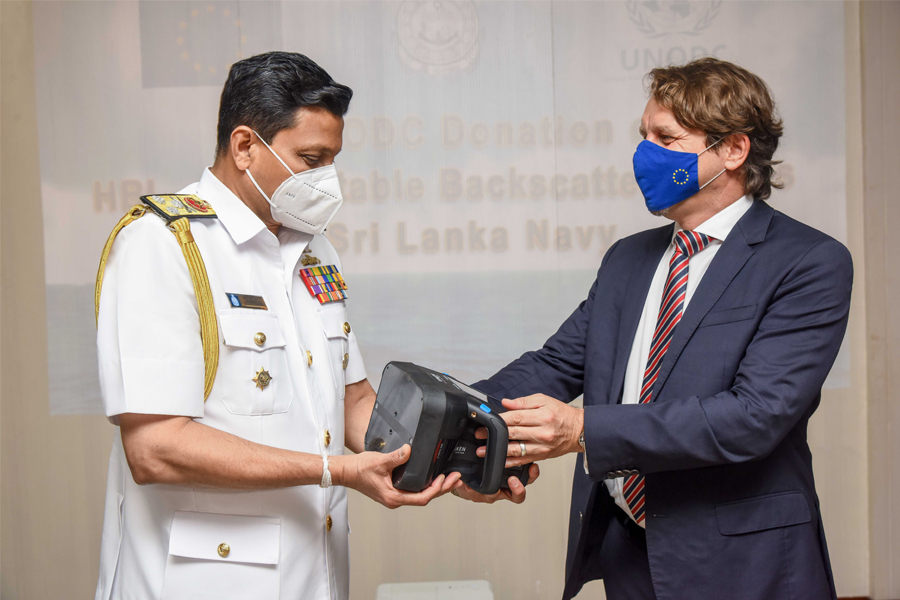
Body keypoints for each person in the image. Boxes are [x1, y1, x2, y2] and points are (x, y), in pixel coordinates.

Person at [457, 58, 852, 600]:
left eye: (665, 137)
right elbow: (556, 364)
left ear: (734, 150)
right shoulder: (628, 258)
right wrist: (461, 414)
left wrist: (581, 430)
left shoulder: (809, 261)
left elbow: (754, 416)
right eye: (643, 135)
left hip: (744, 562)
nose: (645, 153)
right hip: (631, 549)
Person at [93, 51, 459, 600]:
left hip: (315, 577)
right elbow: (155, 449)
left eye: (332, 160)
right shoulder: (163, 244)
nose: (325, 179)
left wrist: (445, 462)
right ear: (244, 147)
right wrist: (336, 470)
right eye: (310, 158)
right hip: (204, 583)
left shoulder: (314, 249)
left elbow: (354, 403)